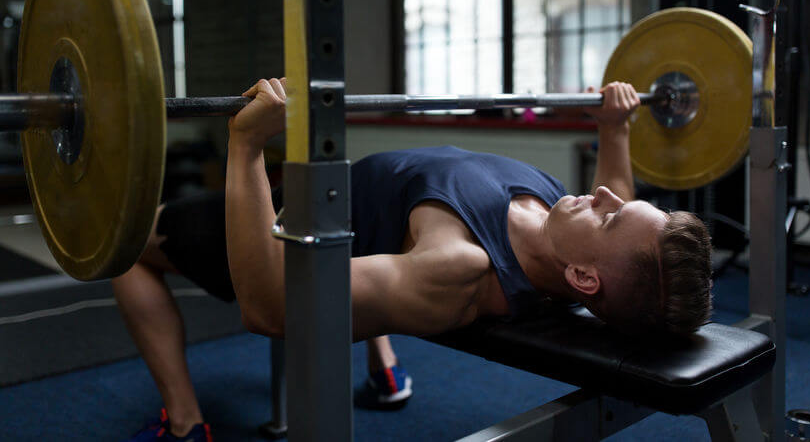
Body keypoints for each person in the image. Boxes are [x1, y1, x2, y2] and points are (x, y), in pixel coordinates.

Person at [116, 79, 713, 441]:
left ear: (584, 279)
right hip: (348, 205)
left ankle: (186, 424)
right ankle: (382, 360)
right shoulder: (571, 230)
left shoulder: (456, 268)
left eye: (610, 214)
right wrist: (616, 129)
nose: (607, 195)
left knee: (126, 248)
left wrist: (245, 145)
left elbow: (270, 307)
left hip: (290, 221)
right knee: (378, 251)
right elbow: (621, 202)